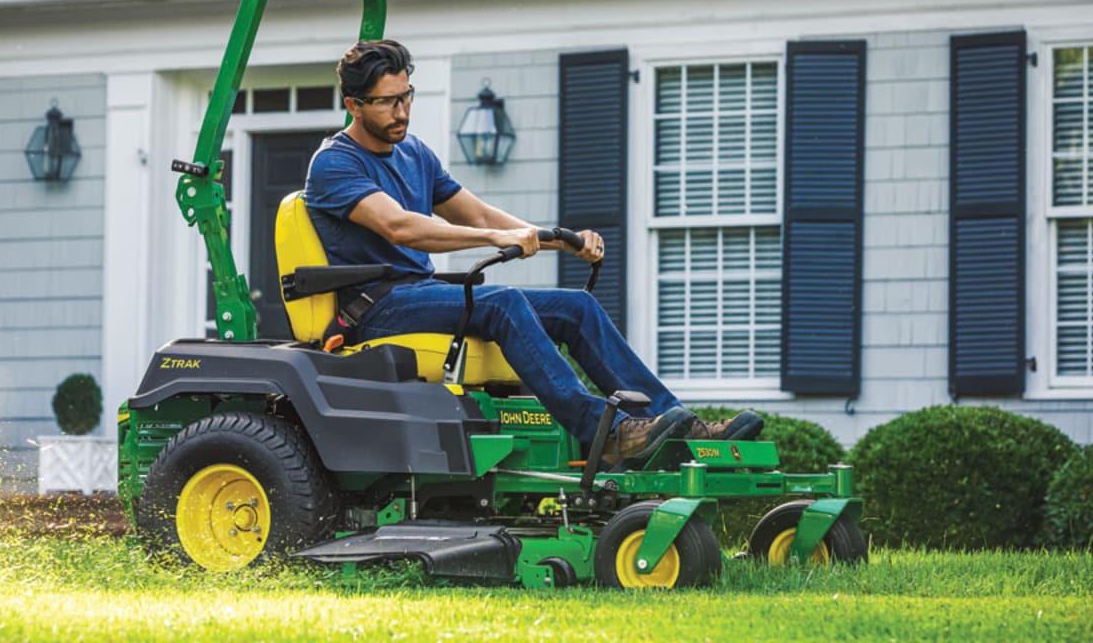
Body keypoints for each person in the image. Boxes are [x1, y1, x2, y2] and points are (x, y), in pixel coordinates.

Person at [304, 39, 762, 465]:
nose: (402, 111)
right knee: (502, 302)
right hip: (377, 308)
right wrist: (496, 241)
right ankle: (610, 435)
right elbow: (400, 227)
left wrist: (559, 239)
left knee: (575, 307)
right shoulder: (334, 164)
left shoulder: (414, 153)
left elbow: (480, 216)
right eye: (387, 102)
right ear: (354, 105)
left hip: (421, 294)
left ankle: (678, 428)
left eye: (407, 97)